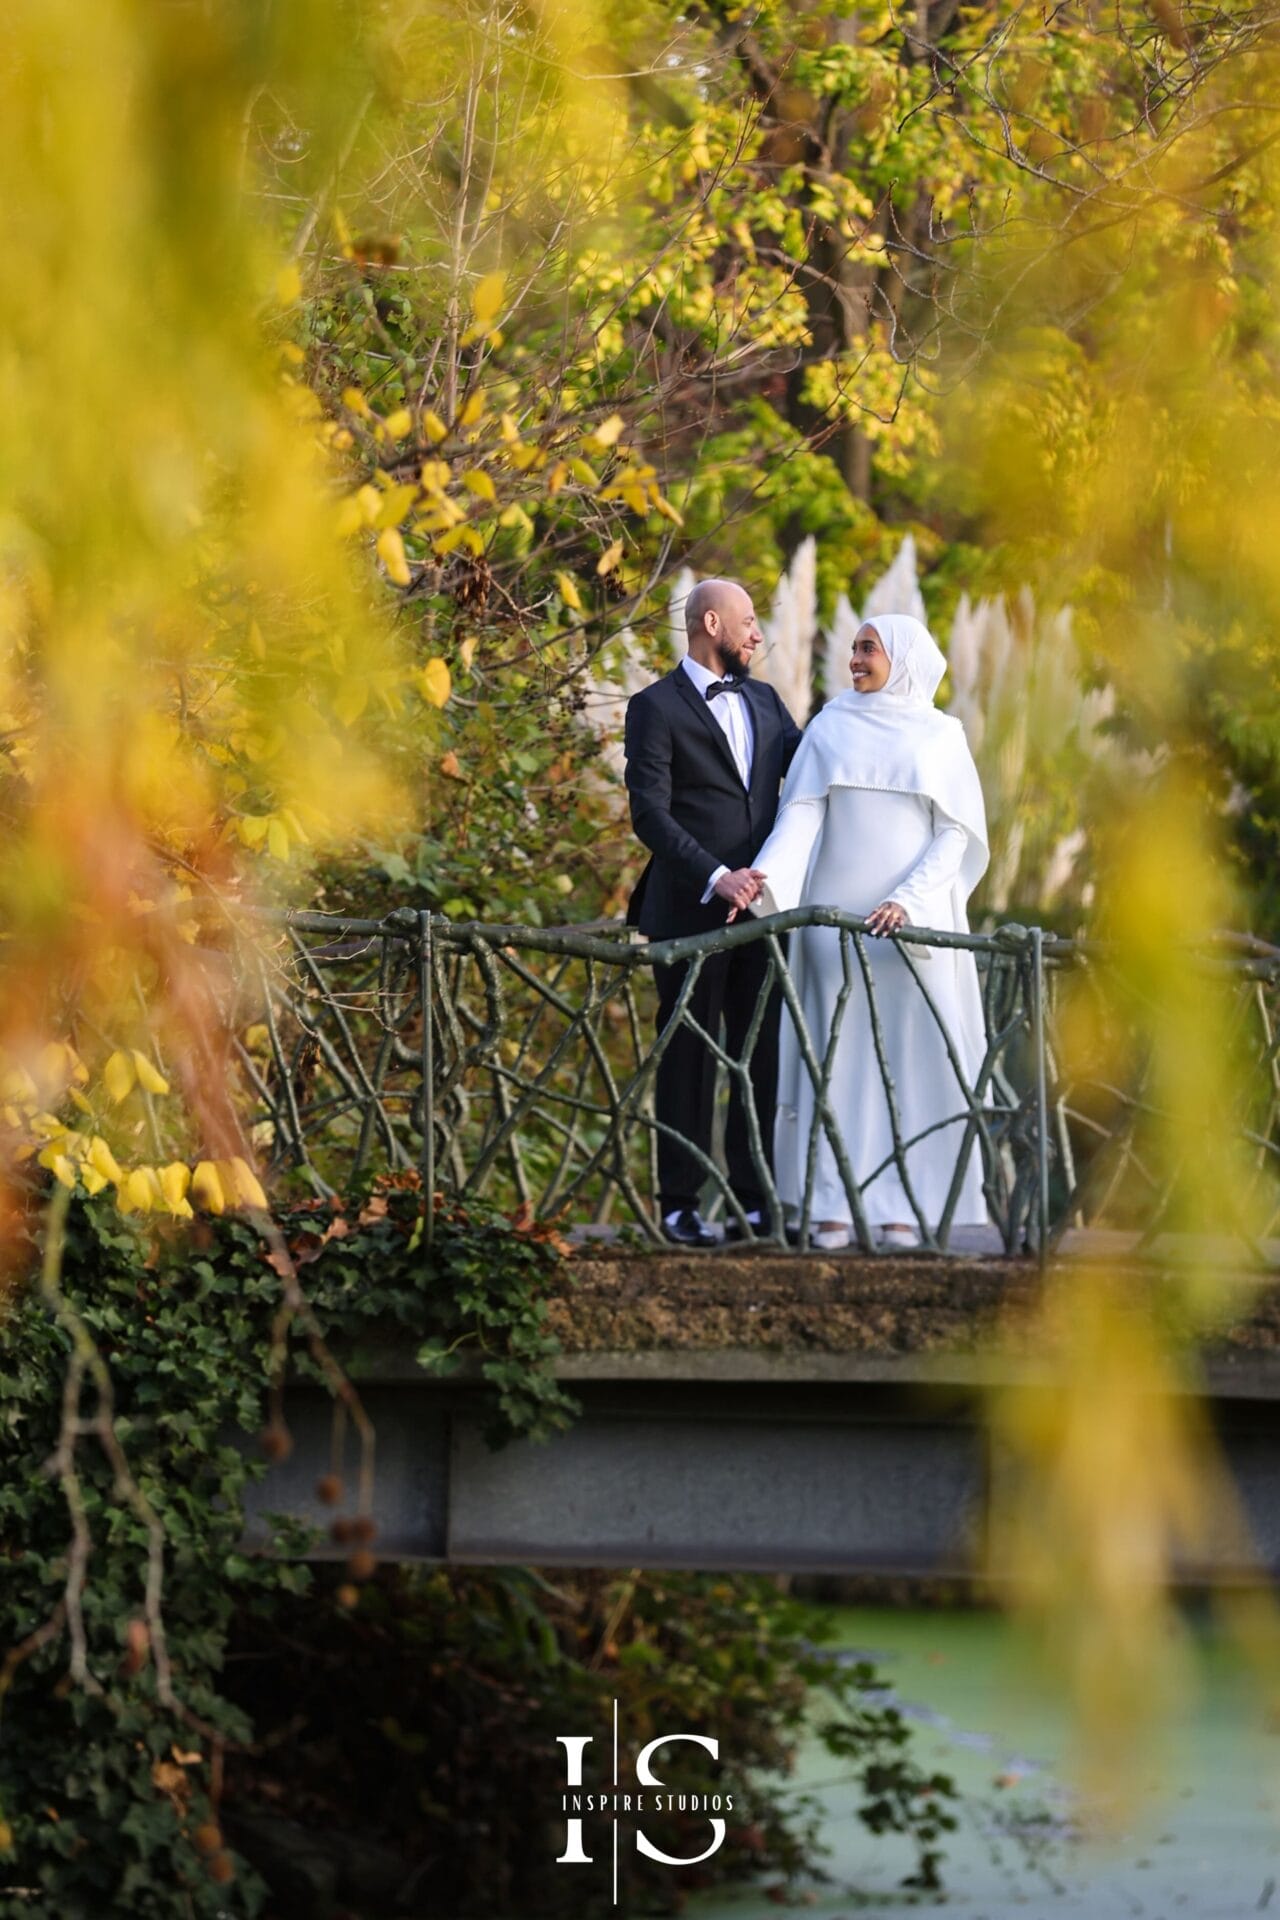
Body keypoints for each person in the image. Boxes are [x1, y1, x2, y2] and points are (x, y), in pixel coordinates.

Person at [748, 612, 990, 1249]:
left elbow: (955, 834)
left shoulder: (942, 736)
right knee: (834, 1062)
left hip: (914, 927)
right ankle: (830, 1206)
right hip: (831, 924)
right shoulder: (830, 724)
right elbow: (801, 814)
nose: (854, 659)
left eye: (868, 649)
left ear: (903, 658)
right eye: (854, 648)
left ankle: (904, 1208)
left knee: (910, 1061)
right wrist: (764, 879)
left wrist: (908, 901)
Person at [624, 578, 804, 1246]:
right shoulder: (653, 707)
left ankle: (753, 1204)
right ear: (711, 624)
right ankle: (680, 1206)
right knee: (688, 1059)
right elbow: (650, 813)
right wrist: (716, 876)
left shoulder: (766, 700)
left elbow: (811, 772)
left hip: (765, 914)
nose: (757, 634)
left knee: (761, 1056)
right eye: (748, 621)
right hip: (687, 912)